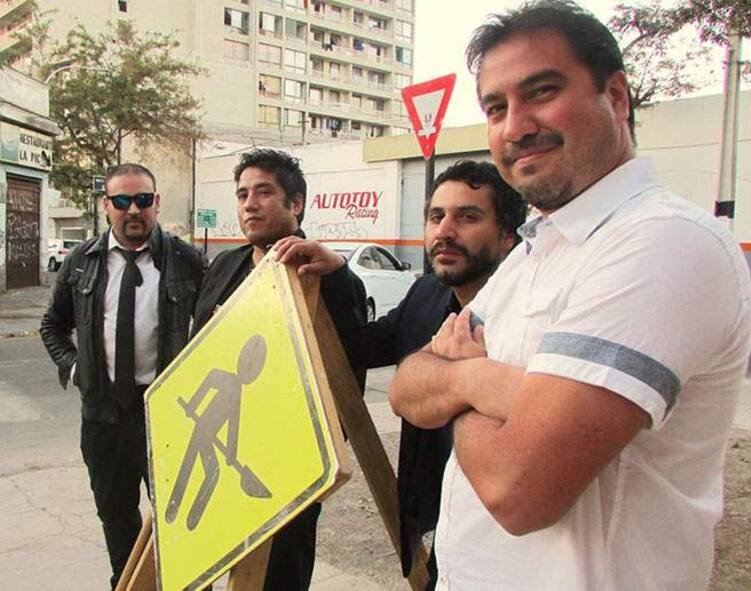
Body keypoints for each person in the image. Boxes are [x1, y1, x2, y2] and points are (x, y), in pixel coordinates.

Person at [388, 2, 751, 590]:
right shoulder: (535, 250)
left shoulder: (661, 242)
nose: (516, 127)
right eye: (496, 108)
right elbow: (407, 389)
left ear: (616, 97)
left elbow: (518, 491)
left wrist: (458, 378)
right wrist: (486, 383)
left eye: (542, 91)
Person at [273, 159, 528, 587]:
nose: (445, 231)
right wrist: (337, 275)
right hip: (436, 524)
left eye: (467, 217)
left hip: (504, 538)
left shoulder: (528, 318)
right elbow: (362, 346)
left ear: (507, 236)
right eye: (436, 216)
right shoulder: (427, 293)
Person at [191, 148, 367, 591]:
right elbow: (196, 354)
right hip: (219, 451)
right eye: (242, 194)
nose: (250, 204)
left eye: (264, 192)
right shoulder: (224, 266)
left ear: (297, 203)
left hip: (287, 467)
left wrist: (338, 275)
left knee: (279, 578)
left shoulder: (325, 272)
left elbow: (349, 373)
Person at [40, 163, 206, 589]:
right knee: (116, 519)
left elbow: (216, 325)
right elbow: (53, 325)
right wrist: (76, 369)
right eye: (122, 200)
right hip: (104, 419)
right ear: (106, 205)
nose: (133, 209)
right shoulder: (82, 262)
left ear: (157, 203)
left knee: (181, 521)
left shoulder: (187, 261)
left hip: (168, 418)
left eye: (143, 200)